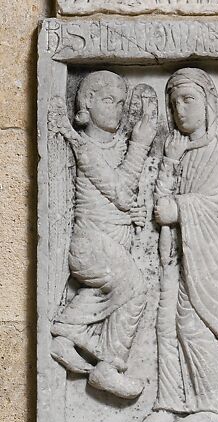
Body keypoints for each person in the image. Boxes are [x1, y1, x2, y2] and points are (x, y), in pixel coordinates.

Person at [49, 72, 157, 399]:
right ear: (86, 103)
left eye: (121, 102)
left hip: (111, 244)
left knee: (110, 289)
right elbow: (121, 191)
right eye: (108, 101)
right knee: (134, 286)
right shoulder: (85, 147)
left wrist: (136, 213)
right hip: (90, 245)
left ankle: (66, 336)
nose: (117, 109)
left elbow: (126, 201)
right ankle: (108, 366)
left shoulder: (117, 146)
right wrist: (140, 144)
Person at [153, 69, 218, 421]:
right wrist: (170, 161)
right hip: (175, 255)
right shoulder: (177, 150)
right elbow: (159, 204)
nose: (180, 110)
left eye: (188, 101)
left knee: (192, 325)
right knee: (164, 326)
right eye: (173, 104)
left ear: (209, 103)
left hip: (208, 254)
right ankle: (169, 402)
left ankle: (213, 405)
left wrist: (180, 209)